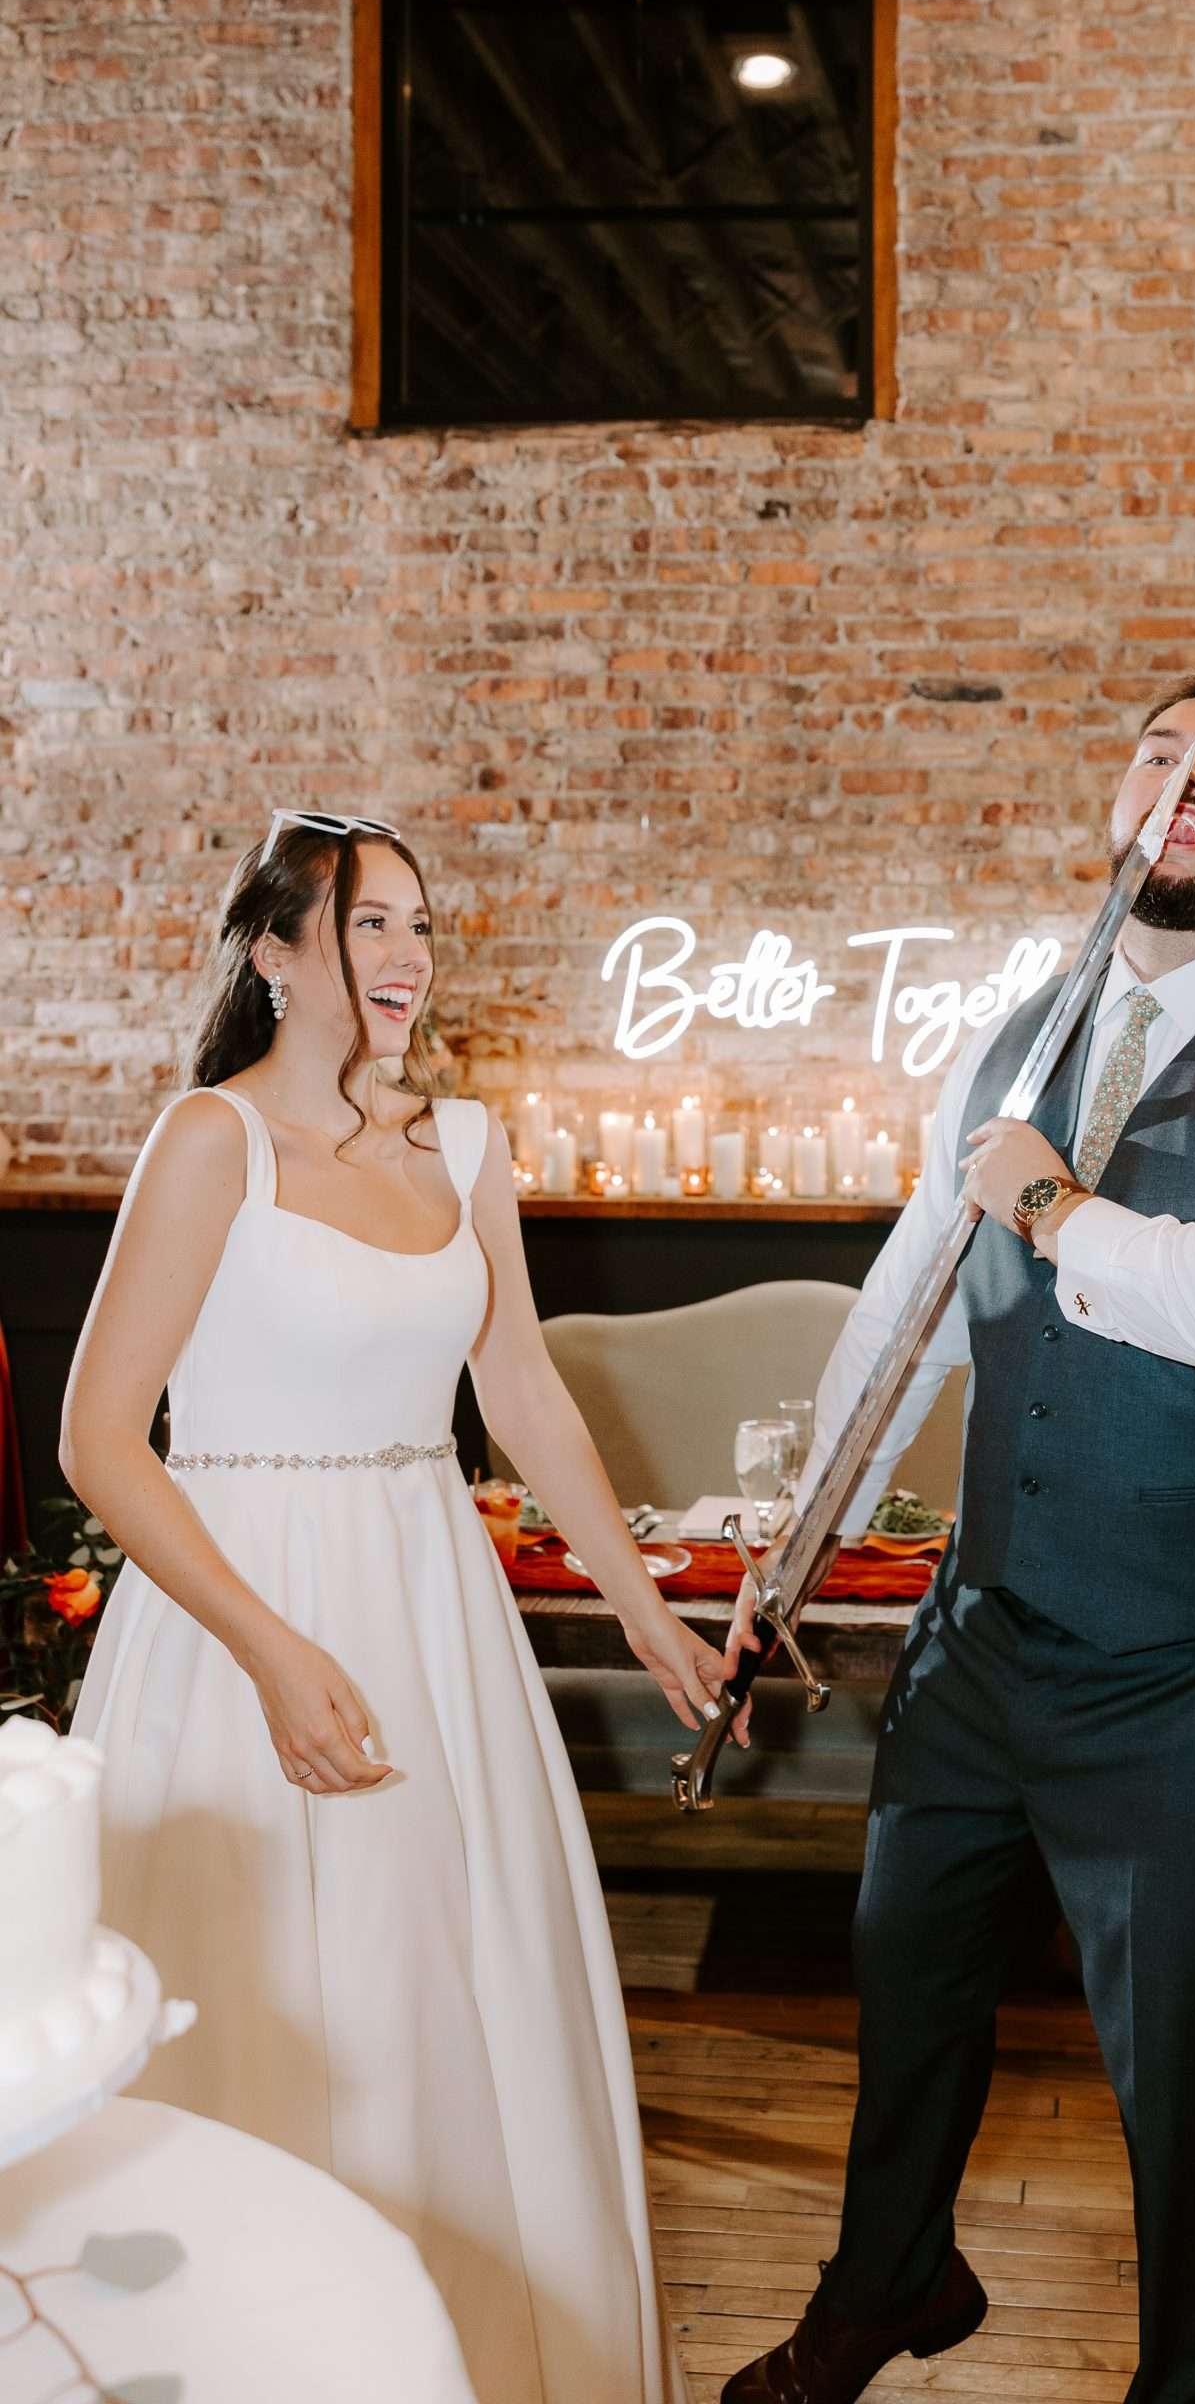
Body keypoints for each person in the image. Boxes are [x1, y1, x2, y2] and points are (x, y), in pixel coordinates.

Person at [721, 680, 1195, 2404]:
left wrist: (1053, 1201)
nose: (1182, 776)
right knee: (908, 1986)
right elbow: (912, 1301)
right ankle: (890, 2282)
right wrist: (796, 1555)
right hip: (986, 1631)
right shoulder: (1008, 1043)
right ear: (1118, 810)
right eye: (1156, 752)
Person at [64, 807, 719, 2404]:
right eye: (369, 922)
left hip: (434, 1615)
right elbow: (99, 1439)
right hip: (239, 1614)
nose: (408, 955)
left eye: (420, 924)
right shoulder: (209, 1142)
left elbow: (524, 1391)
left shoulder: (467, 1145)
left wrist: (641, 1608)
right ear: (275, 953)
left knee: (442, 1989)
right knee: (275, 2009)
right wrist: (271, 1651)